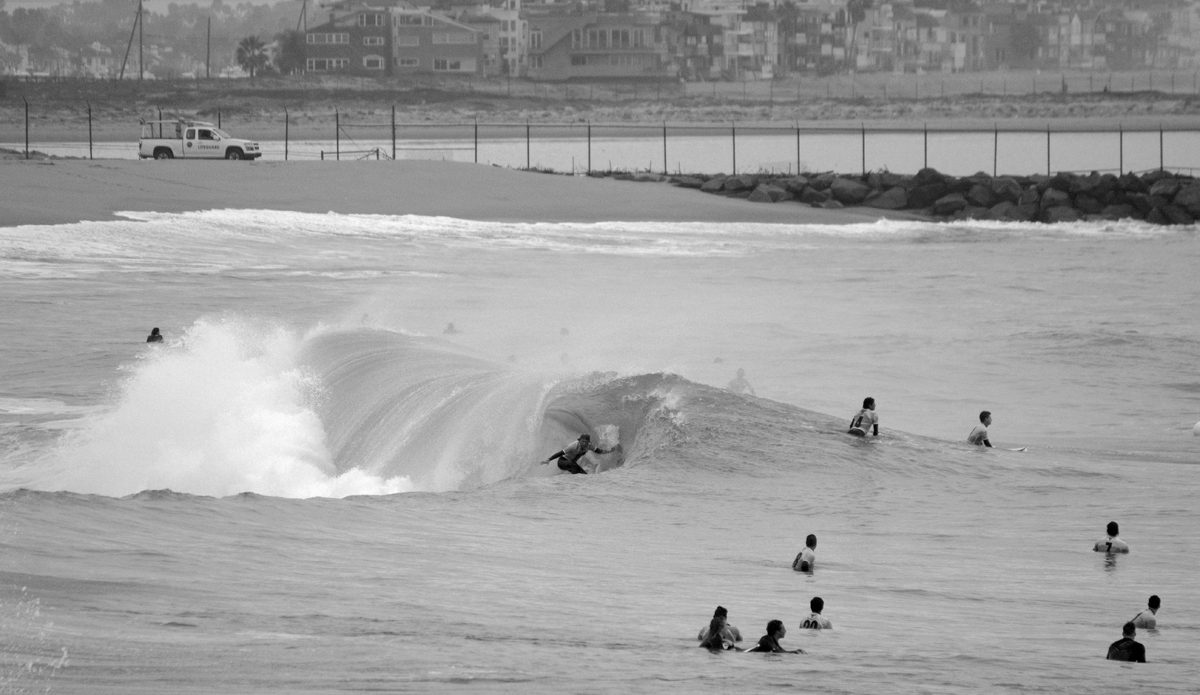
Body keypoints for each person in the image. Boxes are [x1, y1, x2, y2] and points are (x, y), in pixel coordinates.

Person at [541, 433, 618, 475]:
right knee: (574, 466)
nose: (584, 443)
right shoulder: (574, 445)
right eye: (582, 441)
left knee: (584, 475)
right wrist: (548, 459)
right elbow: (560, 452)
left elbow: (599, 451)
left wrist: (609, 451)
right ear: (580, 440)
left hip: (571, 463)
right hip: (562, 462)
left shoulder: (589, 446)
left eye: (586, 442)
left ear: (588, 442)